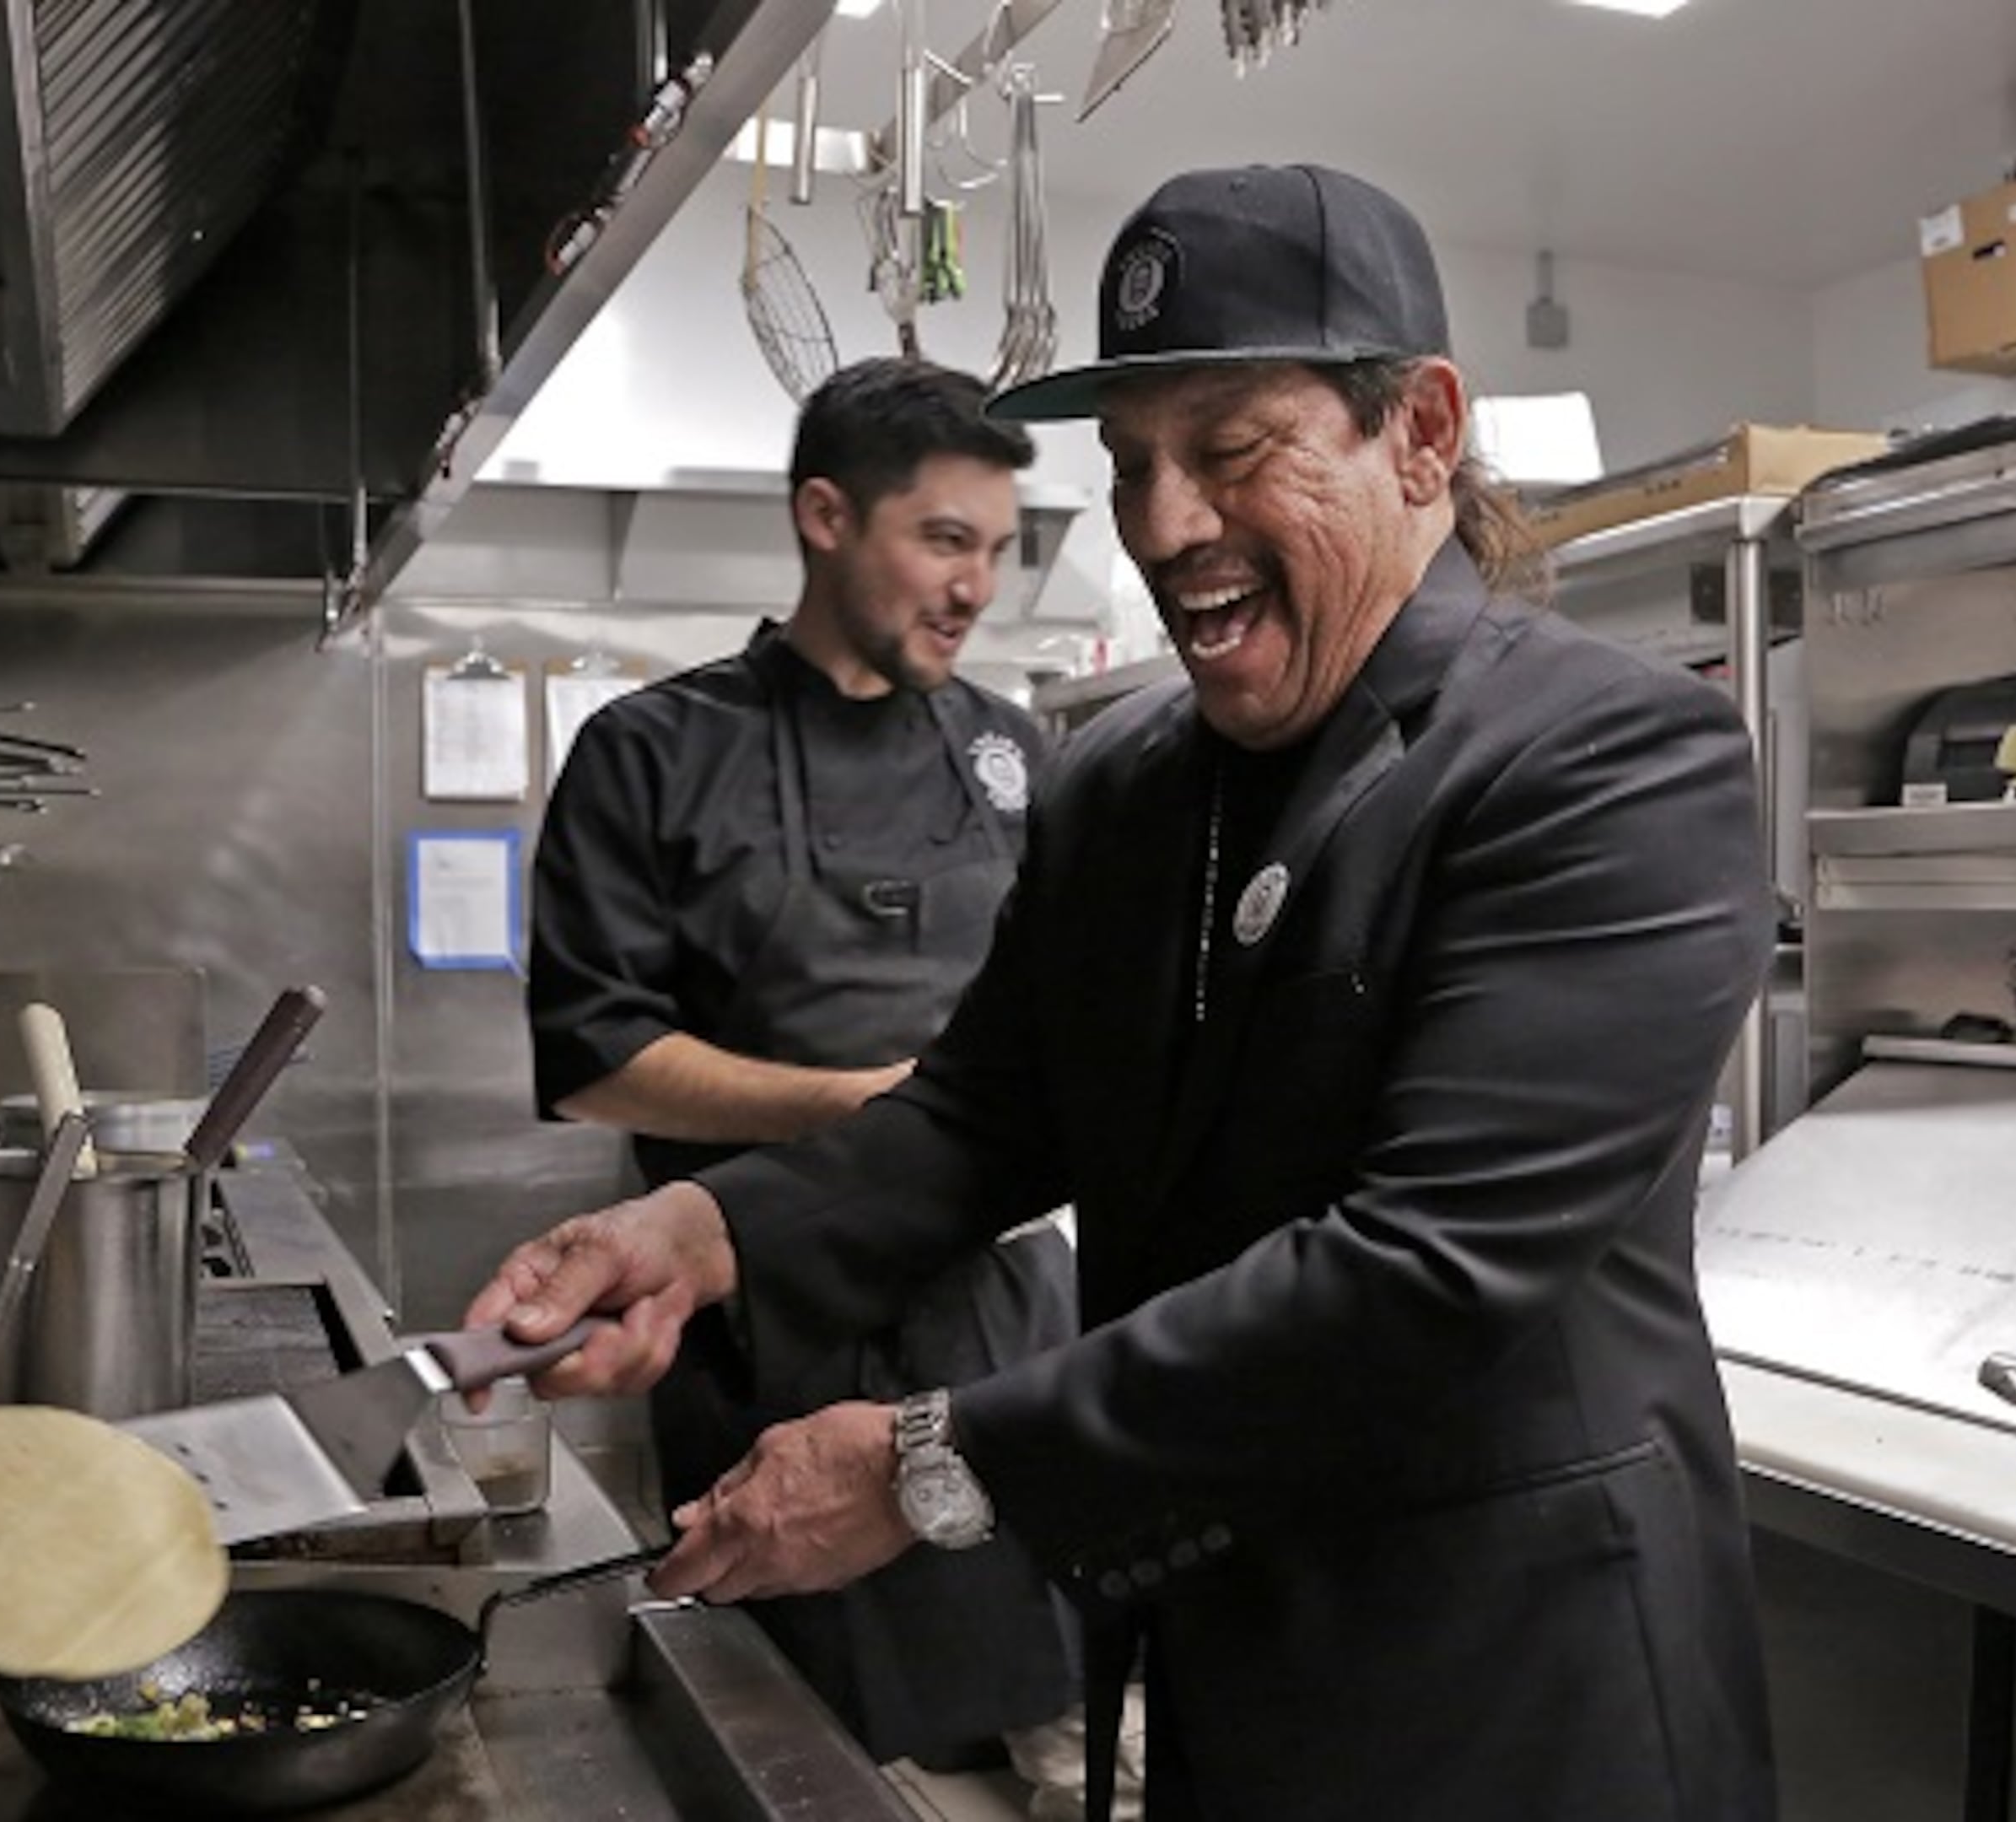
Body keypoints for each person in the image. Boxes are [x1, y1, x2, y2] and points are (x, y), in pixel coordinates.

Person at [478, 164, 1779, 1819]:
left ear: (1424, 435)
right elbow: (984, 1114)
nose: (1165, 527)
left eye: (1232, 451)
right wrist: (701, 1237)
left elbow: (1428, 1273)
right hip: (1215, 1665)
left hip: (1513, 1694)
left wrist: (933, 1461)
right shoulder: (1124, 783)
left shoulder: (1601, 760)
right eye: (1134, 466)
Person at [525, 357, 1090, 1792]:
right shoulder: (651, 751)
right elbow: (597, 1061)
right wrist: (851, 1107)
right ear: (826, 516)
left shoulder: (1012, 755)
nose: (976, 588)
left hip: (1007, 1320)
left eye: (998, 553)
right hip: (760, 1339)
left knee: (1062, 1719)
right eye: (944, 541)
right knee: (794, 1749)